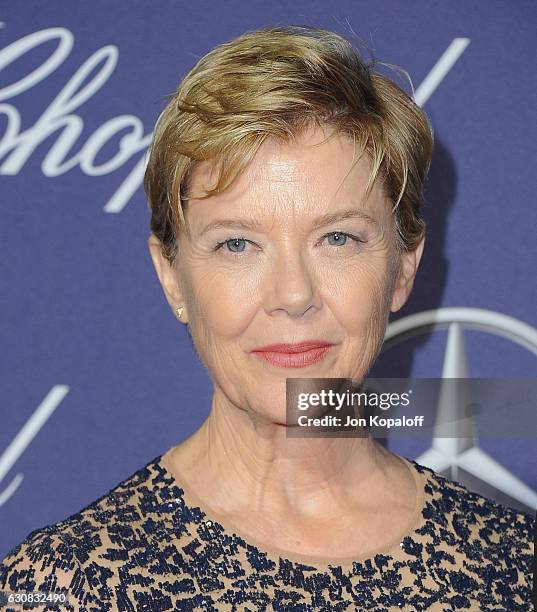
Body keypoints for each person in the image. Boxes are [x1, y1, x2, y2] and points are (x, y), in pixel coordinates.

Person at [1, 25, 534, 611]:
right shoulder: (63, 586)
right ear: (172, 275)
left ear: (404, 267)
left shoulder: (513, 568)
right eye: (237, 244)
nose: (293, 294)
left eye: (337, 238)